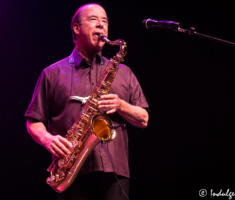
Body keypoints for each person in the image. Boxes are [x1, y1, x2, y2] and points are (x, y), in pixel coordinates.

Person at [25, 3, 149, 200]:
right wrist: (48, 140)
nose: (101, 25)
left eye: (105, 21)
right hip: (71, 172)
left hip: (114, 173)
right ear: (76, 28)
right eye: (94, 20)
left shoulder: (124, 72)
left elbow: (144, 119)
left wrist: (120, 105)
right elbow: (33, 121)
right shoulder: (52, 74)